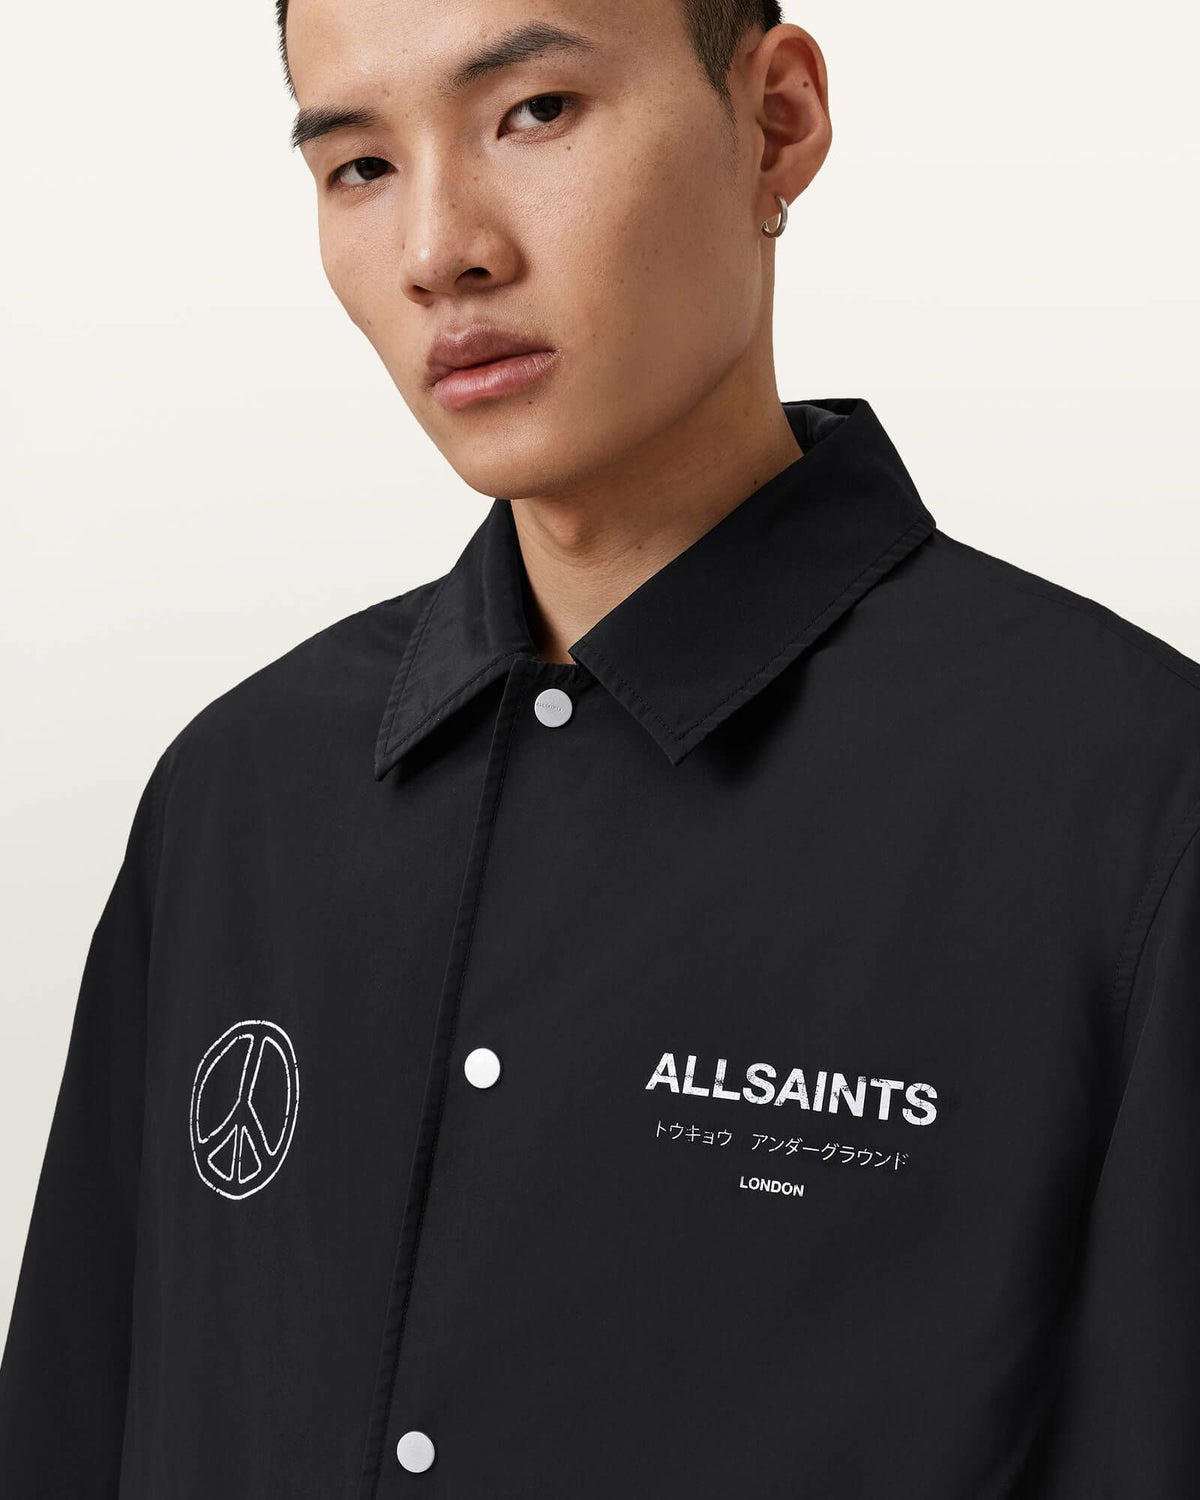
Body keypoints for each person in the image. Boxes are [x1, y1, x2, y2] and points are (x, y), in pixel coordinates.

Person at [2, 1, 1197, 1495]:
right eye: (361, 165)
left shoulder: (1132, 804)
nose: (439, 249)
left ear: (776, 124)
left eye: (536, 113)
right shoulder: (234, 796)